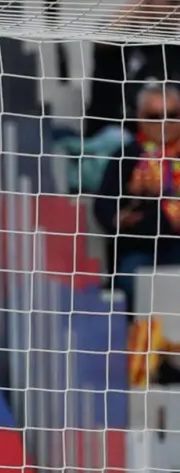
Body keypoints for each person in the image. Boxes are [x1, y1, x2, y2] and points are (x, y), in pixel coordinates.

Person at [93, 82, 180, 308]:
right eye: (155, 116)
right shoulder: (126, 157)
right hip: (139, 250)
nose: (164, 123)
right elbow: (104, 207)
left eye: (172, 115)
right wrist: (122, 219)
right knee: (133, 278)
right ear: (140, 117)